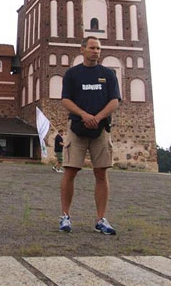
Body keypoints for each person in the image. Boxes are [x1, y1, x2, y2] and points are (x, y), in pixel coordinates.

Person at [59, 36, 121, 235]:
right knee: (70, 171)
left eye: (98, 48)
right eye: (92, 48)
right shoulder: (72, 74)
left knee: (101, 173)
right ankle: (65, 216)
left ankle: (100, 219)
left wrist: (98, 117)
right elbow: (65, 100)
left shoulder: (108, 74)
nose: (96, 51)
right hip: (77, 128)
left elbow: (114, 100)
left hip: (101, 129)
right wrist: (84, 115)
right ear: (82, 49)